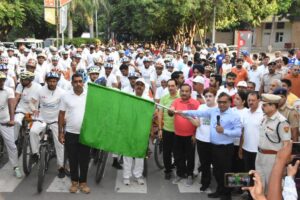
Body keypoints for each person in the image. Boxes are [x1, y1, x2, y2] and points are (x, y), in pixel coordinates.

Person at [179, 92, 242, 200]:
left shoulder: (234, 115)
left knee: (226, 173)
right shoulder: (214, 111)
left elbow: (238, 132)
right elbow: (198, 113)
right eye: (220, 102)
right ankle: (219, 191)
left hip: (225, 148)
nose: (221, 104)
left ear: (229, 103)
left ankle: (227, 195)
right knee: (217, 171)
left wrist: (224, 131)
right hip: (213, 146)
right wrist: (183, 112)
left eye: (224, 102)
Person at [58, 73, 91, 194]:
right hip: (70, 133)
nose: (78, 84)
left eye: (80, 81)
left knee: (84, 159)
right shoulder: (66, 96)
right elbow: (61, 114)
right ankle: (74, 182)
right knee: (72, 159)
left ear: (83, 82)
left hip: (85, 133)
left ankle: (83, 183)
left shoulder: (89, 95)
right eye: (75, 81)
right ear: (72, 83)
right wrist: (60, 132)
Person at [29, 72, 66, 177]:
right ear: (46, 81)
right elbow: (32, 102)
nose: (52, 83)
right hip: (42, 118)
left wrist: (65, 118)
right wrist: (34, 109)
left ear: (57, 82)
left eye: (54, 81)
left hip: (55, 120)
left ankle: (61, 167)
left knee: (60, 143)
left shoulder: (62, 93)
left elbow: (66, 107)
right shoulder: (40, 90)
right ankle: (35, 154)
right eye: (50, 81)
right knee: (32, 131)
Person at [255, 94, 291, 191]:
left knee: (273, 188)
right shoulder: (264, 118)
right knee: (260, 186)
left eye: (265, 105)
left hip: (273, 159)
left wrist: (284, 164)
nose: (263, 107)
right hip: (260, 156)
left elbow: (287, 145)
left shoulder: (281, 122)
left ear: (273, 106)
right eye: (262, 105)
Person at [168, 84, 200, 186]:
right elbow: (171, 112)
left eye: (186, 91)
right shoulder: (176, 101)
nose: (184, 93)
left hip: (190, 136)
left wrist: (195, 134)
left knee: (190, 157)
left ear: (190, 92)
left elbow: (199, 120)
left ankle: (190, 175)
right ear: (180, 92)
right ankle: (180, 174)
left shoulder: (195, 104)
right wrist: (170, 110)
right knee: (178, 156)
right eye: (182, 91)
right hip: (177, 134)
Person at [188, 88, 218, 192]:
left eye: (210, 96)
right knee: (204, 163)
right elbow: (197, 123)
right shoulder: (201, 107)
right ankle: (205, 182)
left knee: (216, 163)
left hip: (215, 141)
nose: (208, 98)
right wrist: (187, 117)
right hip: (201, 140)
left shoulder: (219, 108)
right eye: (206, 96)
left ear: (215, 96)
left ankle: (217, 183)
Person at [123, 78, 151, 185]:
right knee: (127, 153)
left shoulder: (148, 100)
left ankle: (138, 175)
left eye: (141, 85)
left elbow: (150, 115)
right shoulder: (129, 97)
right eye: (137, 84)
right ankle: (126, 176)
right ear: (134, 86)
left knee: (140, 154)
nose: (139, 86)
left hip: (141, 130)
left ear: (144, 87)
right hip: (129, 129)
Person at [0, 72, 22, 178]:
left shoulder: (8, 90)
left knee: (12, 145)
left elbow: (11, 105)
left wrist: (12, 119)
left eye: (3, 80)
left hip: (5, 121)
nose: (1, 82)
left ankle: (15, 167)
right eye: (0, 80)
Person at [158, 79, 179, 180]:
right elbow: (160, 113)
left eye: (172, 86)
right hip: (167, 129)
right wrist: (160, 129)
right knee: (166, 152)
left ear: (176, 86)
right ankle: (168, 170)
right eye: (169, 86)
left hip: (179, 131)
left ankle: (179, 169)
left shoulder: (181, 97)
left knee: (178, 152)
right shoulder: (164, 98)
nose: (170, 88)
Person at [14, 71, 42, 143]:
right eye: (22, 80)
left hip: (32, 111)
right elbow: (16, 98)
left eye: (25, 80)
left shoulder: (38, 87)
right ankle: (14, 140)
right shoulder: (20, 85)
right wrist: (12, 109)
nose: (22, 81)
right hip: (21, 109)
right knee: (17, 121)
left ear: (30, 80)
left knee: (32, 128)